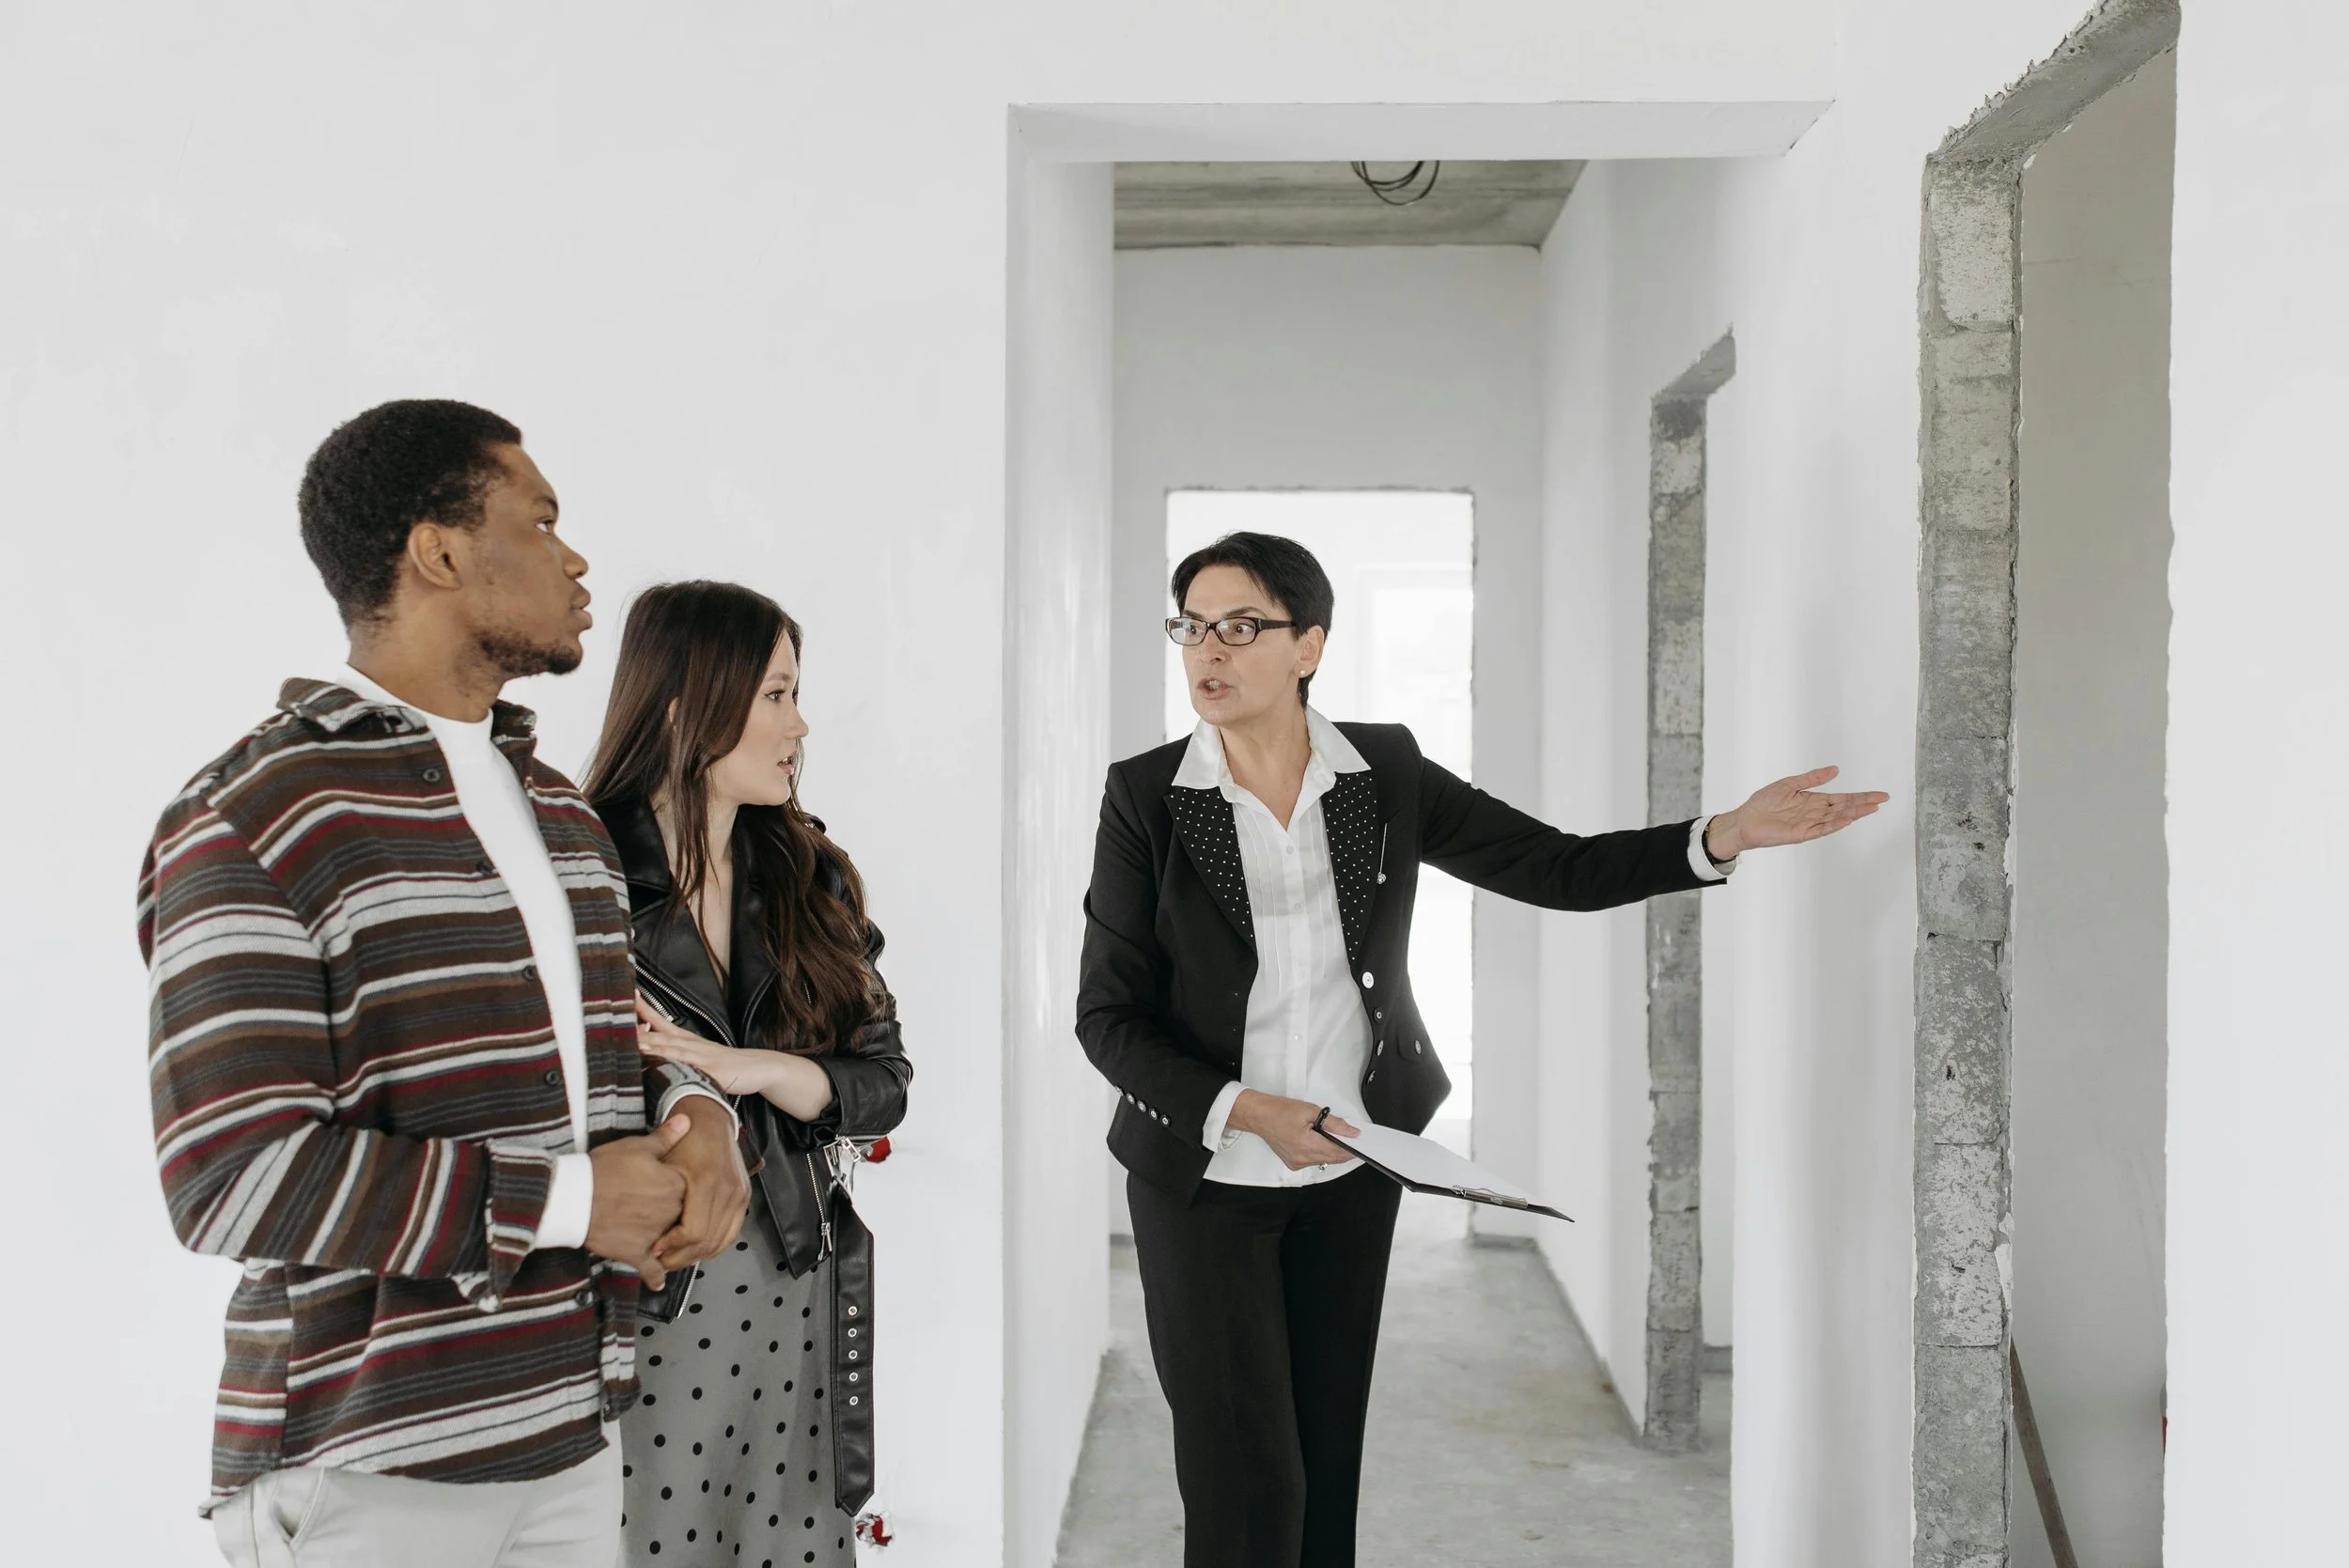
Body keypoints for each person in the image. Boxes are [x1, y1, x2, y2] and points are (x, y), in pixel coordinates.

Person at [1075, 531, 1886, 1568]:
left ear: (1309, 643)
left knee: (1323, 1469)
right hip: (1204, 1179)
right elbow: (1108, 1015)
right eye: (1191, 627)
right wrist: (1244, 1107)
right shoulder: (1146, 796)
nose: (1208, 652)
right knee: (1244, 1481)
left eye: (1241, 626)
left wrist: (1717, 834)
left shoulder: (1384, 773)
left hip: (1354, 1167)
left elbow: (1552, 865)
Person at [141, 399, 752, 1568]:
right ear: (440, 552)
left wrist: (702, 1118)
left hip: (572, 1433)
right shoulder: (261, 814)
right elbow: (229, 1175)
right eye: (542, 520)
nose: (577, 559)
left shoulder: (560, 808)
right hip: (371, 1467)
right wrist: (573, 1205)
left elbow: (624, 1041)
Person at [582, 581, 911, 1568]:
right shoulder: (582, 875)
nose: (799, 724)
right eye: (775, 694)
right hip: (653, 1289)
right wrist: (707, 1088)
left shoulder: (811, 877)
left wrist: (754, 1068)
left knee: (789, 1543)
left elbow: (883, 1080)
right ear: (688, 703)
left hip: (796, 1273)